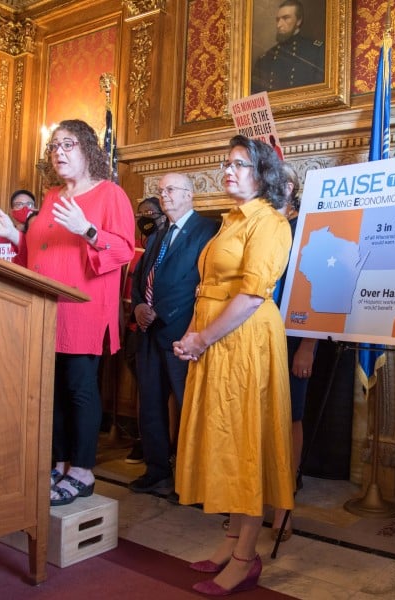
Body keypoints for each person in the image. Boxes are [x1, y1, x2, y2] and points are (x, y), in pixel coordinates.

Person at [0, 119, 135, 506]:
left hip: (83, 308)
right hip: (48, 310)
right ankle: (61, 462)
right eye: (54, 146)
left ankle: (82, 470)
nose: (59, 152)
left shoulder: (109, 194)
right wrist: (12, 234)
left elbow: (122, 251)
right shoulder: (51, 197)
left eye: (69, 145)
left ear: (87, 150)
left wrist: (88, 230)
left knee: (80, 389)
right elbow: (41, 248)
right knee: (54, 391)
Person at [173, 135, 293, 595]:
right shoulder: (230, 221)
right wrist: (193, 335)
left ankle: (246, 557)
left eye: (240, 164)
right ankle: (230, 542)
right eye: (227, 163)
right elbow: (209, 288)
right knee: (226, 439)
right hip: (215, 337)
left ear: (263, 174)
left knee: (245, 443)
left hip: (244, 341)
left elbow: (249, 294)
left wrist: (201, 337)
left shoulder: (270, 222)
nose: (229, 171)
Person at [128, 173, 217, 495]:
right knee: (149, 405)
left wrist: (163, 313)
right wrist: (139, 306)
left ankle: (193, 481)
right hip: (149, 334)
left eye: (170, 190)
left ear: (190, 195)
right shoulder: (157, 234)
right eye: (160, 190)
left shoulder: (208, 230)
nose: (163, 196)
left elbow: (200, 282)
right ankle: (156, 470)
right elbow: (141, 278)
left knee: (189, 407)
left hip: (183, 334)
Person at [270, 161, 316, 541]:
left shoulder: (306, 225)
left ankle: (286, 506)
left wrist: (307, 346)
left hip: (292, 336)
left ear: (289, 186)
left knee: (290, 418)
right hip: (255, 335)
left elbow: (314, 286)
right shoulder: (263, 222)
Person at [124, 196, 168, 465]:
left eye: (152, 212)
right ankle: (147, 443)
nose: (146, 218)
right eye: (141, 214)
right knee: (146, 388)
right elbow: (138, 283)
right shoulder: (144, 245)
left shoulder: (172, 239)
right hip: (137, 327)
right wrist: (139, 307)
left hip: (166, 325)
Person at [251, 0, 325, 93]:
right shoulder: (265, 59)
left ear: (298, 21)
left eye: (286, 18)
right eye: (278, 19)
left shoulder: (316, 50)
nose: (279, 25)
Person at [0, 189, 37, 261]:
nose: (25, 208)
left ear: (35, 209)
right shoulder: (2, 235)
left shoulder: (40, 235)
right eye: (19, 204)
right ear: (12, 211)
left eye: (29, 204)